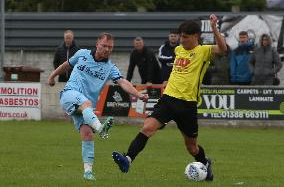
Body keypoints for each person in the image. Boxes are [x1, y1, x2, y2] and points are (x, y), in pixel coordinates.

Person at [112, 14, 227, 181]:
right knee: (147, 128)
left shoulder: (203, 51)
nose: (182, 40)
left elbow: (223, 49)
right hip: (168, 100)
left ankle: (204, 163)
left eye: (185, 37)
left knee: (192, 147)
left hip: (187, 105)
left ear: (196, 36)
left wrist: (215, 28)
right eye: (181, 36)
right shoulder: (178, 50)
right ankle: (127, 159)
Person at [47, 32, 148, 181]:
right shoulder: (82, 54)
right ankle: (101, 128)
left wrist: (137, 94)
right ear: (97, 44)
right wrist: (51, 76)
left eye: (110, 47)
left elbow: (123, 82)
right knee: (86, 104)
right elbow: (66, 65)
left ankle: (88, 172)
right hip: (70, 94)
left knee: (87, 135)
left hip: (86, 109)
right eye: (104, 46)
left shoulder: (110, 67)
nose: (107, 49)